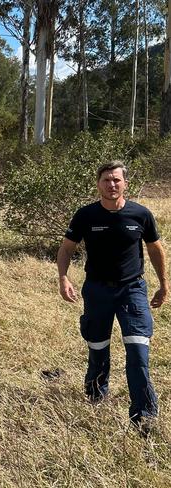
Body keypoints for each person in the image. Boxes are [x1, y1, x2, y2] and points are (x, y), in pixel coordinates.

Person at [57, 160, 167, 432]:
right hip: (97, 290)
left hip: (132, 291)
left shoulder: (140, 214)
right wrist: (63, 277)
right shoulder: (85, 215)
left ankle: (144, 415)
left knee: (138, 352)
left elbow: (155, 249)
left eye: (117, 179)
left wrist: (164, 283)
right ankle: (96, 395)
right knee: (97, 347)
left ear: (125, 183)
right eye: (106, 180)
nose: (112, 184)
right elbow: (67, 248)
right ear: (98, 184)